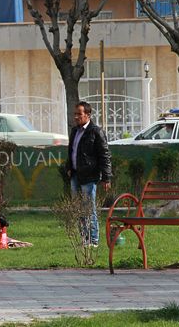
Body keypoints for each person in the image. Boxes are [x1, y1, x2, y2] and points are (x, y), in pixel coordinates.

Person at [65, 101, 112, 247]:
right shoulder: (75, 131)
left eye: (79, 114)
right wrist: (68, 167)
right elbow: (72, 151)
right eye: (75, 114)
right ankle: (84, 240)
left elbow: (105, 155)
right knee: (79, 209)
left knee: (89, 209)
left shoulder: (95, 132)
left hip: (89, 177)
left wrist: (106, 177)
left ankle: (94, 240)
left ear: (88, 115)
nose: (76, 117)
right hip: (75, 176)